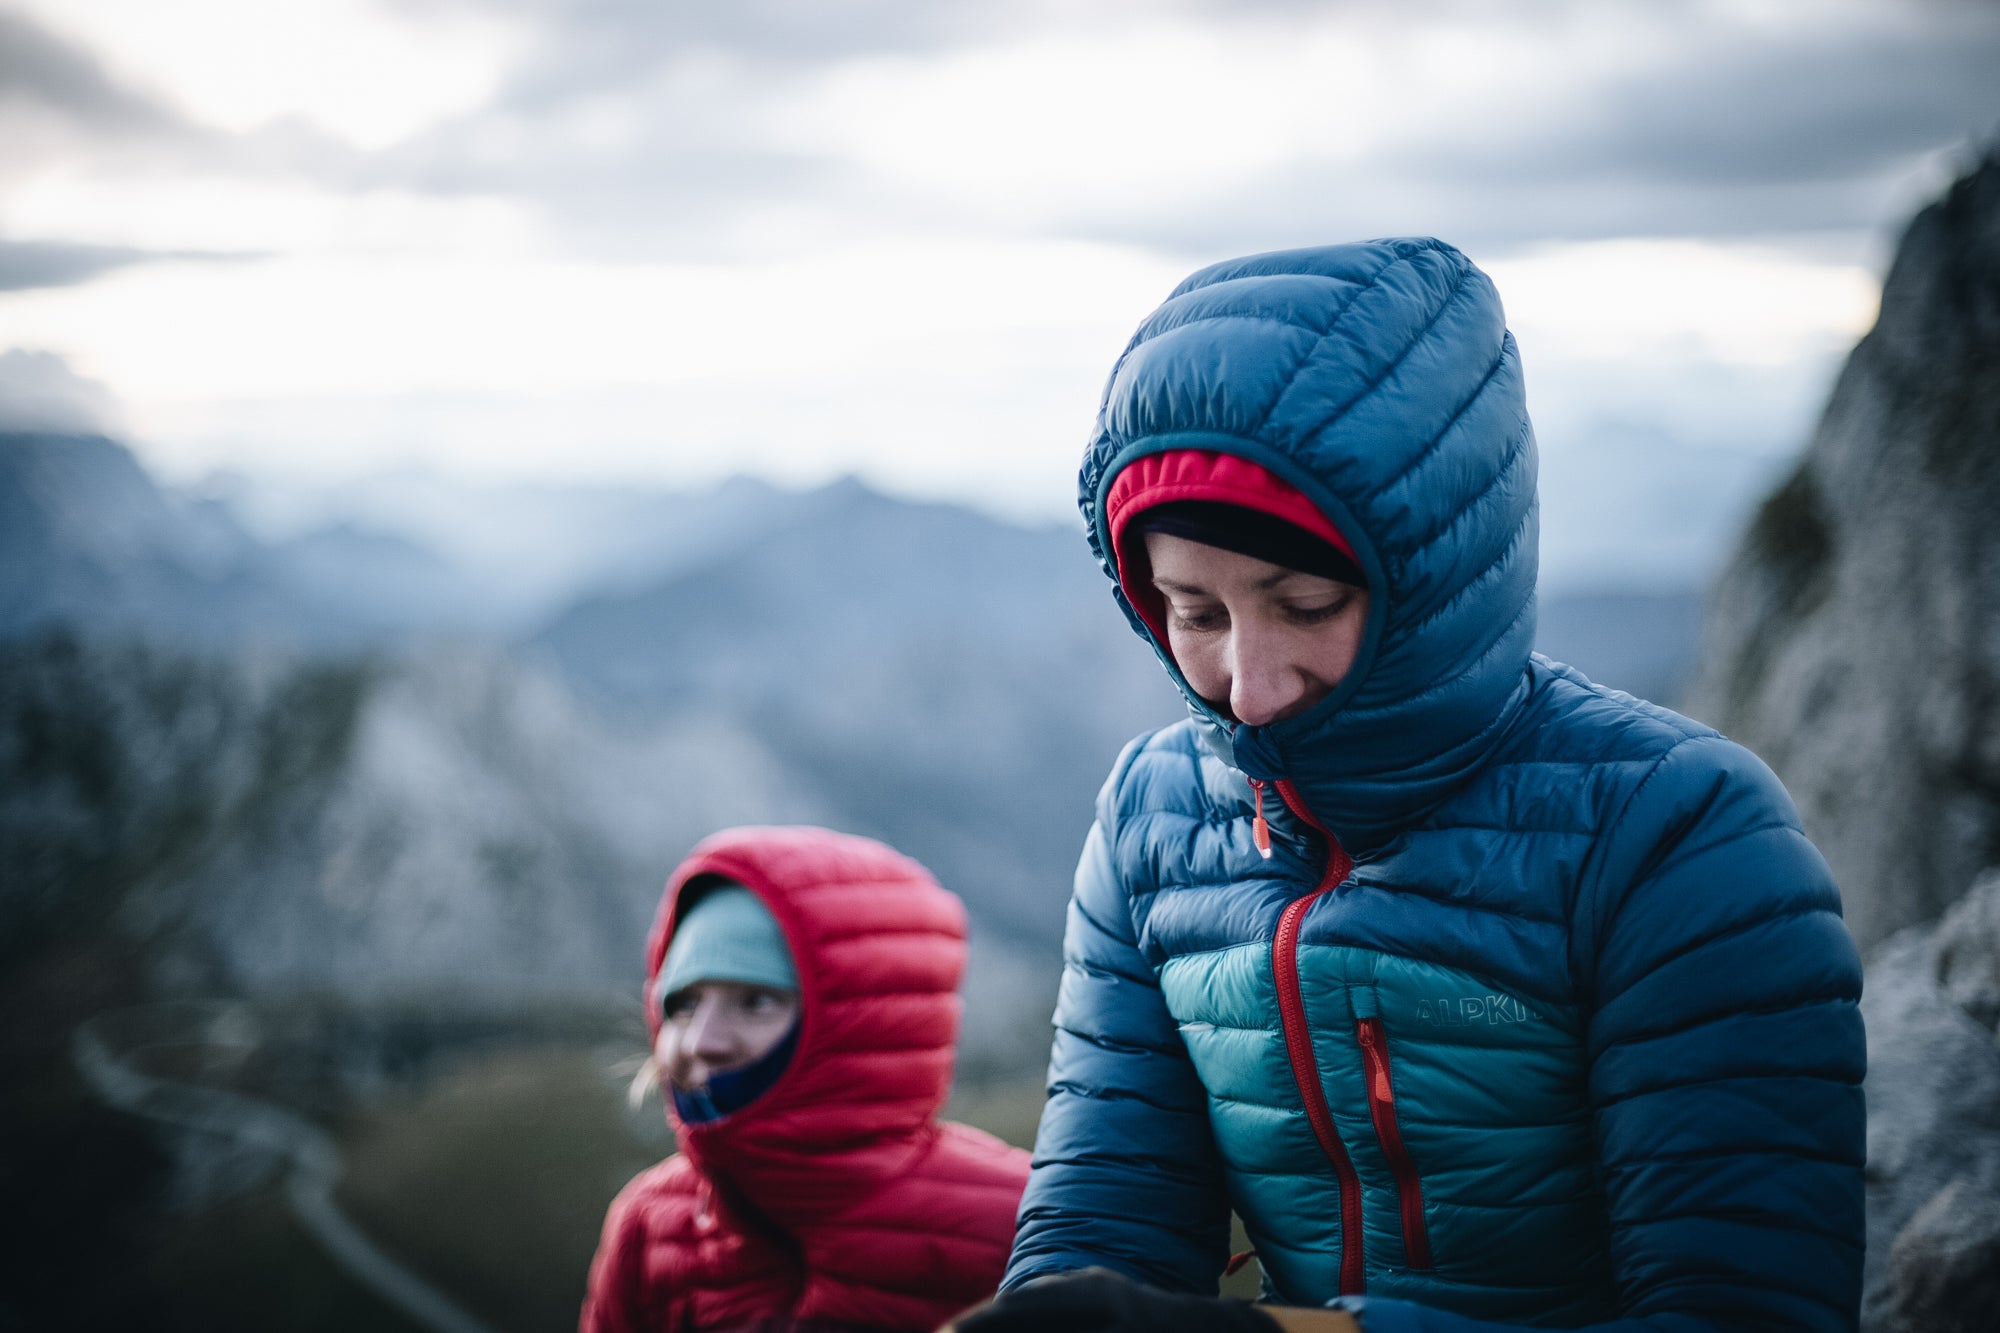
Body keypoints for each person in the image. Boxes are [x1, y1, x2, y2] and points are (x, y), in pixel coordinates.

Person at [963, 239, 1866, 1332]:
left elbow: (1741, 1314)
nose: (1246, 688)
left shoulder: (1677, 833)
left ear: (1434, 579)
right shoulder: (1152, 819)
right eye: (1192, 613)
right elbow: (1103, 1222)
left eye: (1301, 603)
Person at [581, 825, 1031, 1333]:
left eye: (755, 1001)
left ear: (858, 1022)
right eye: (683, 1004)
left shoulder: (1025, 1230)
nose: (701, 1040)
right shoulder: (647, 1228)